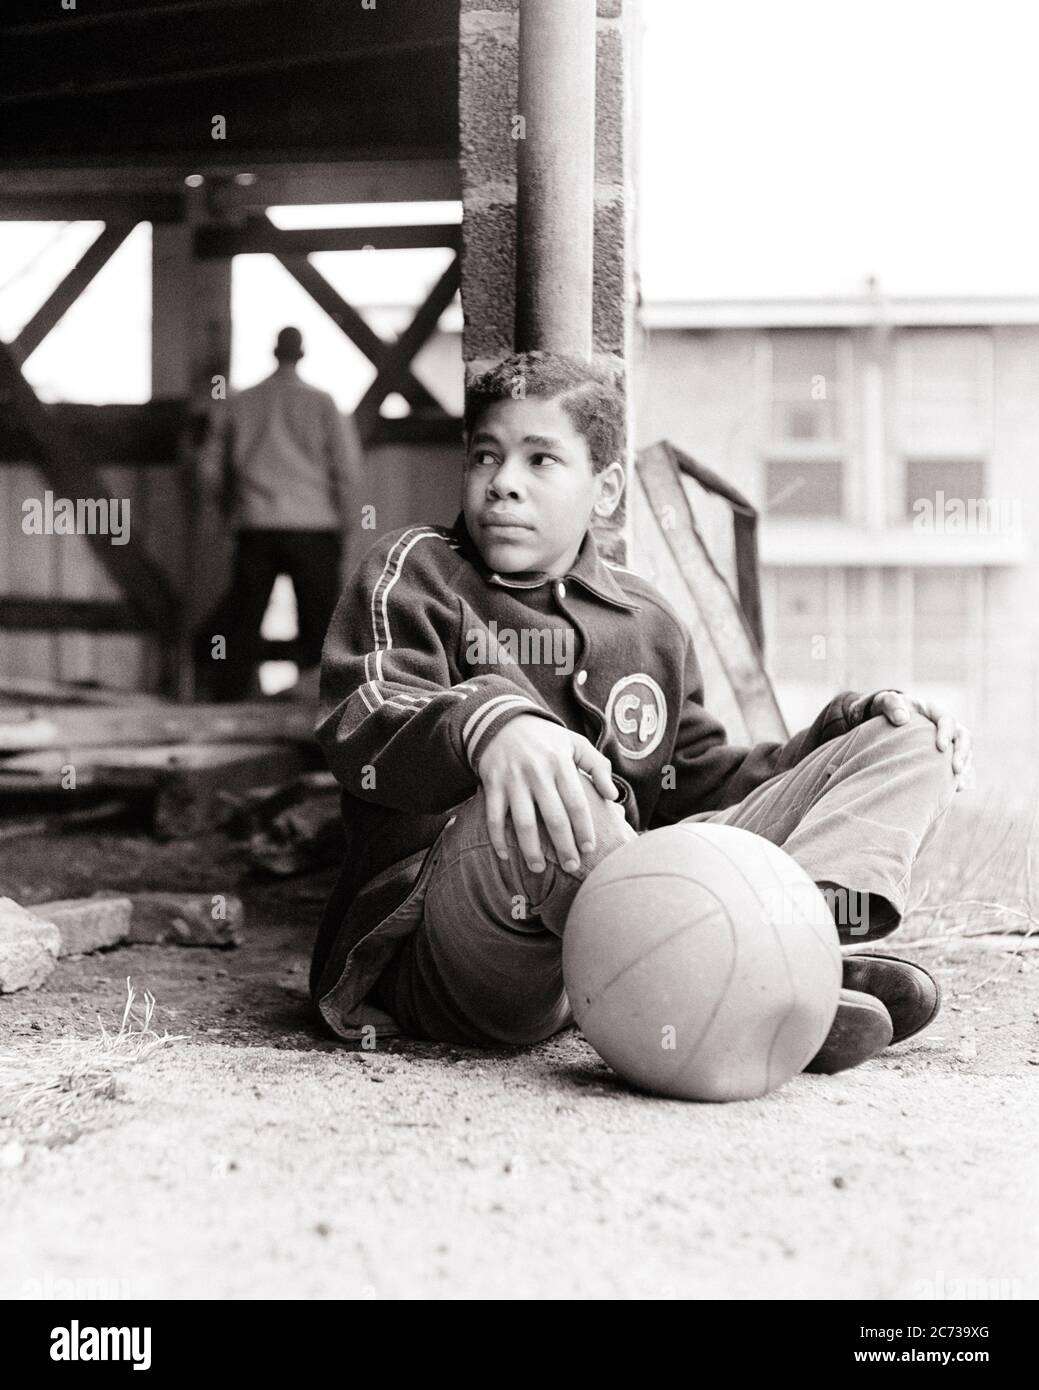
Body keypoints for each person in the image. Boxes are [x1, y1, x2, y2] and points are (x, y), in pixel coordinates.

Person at [309, 351, 972, 1074]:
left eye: (540, 461)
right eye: (485, 458)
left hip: (617, 925)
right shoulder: (415, 571)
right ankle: (748, 983)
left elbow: (705, 785)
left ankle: (786, 948)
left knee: (913, 742)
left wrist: (842, 731)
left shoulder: (646, 619)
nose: (502, 484)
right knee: (566, 781)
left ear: (605, 488)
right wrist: (486, 724)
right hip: (461, 945)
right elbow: (361, 713)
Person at [196, 326, 363, 701]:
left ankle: (230, 703)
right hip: (313, 526)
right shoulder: (322, 403)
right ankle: (320, 705)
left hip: (256, 524)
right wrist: (346, 522)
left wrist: (228, 511)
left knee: (244, 621)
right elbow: (347, 469)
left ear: (274, 353)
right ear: (301, 355)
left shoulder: (240, 403)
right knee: (319, 625)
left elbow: (209, 468)